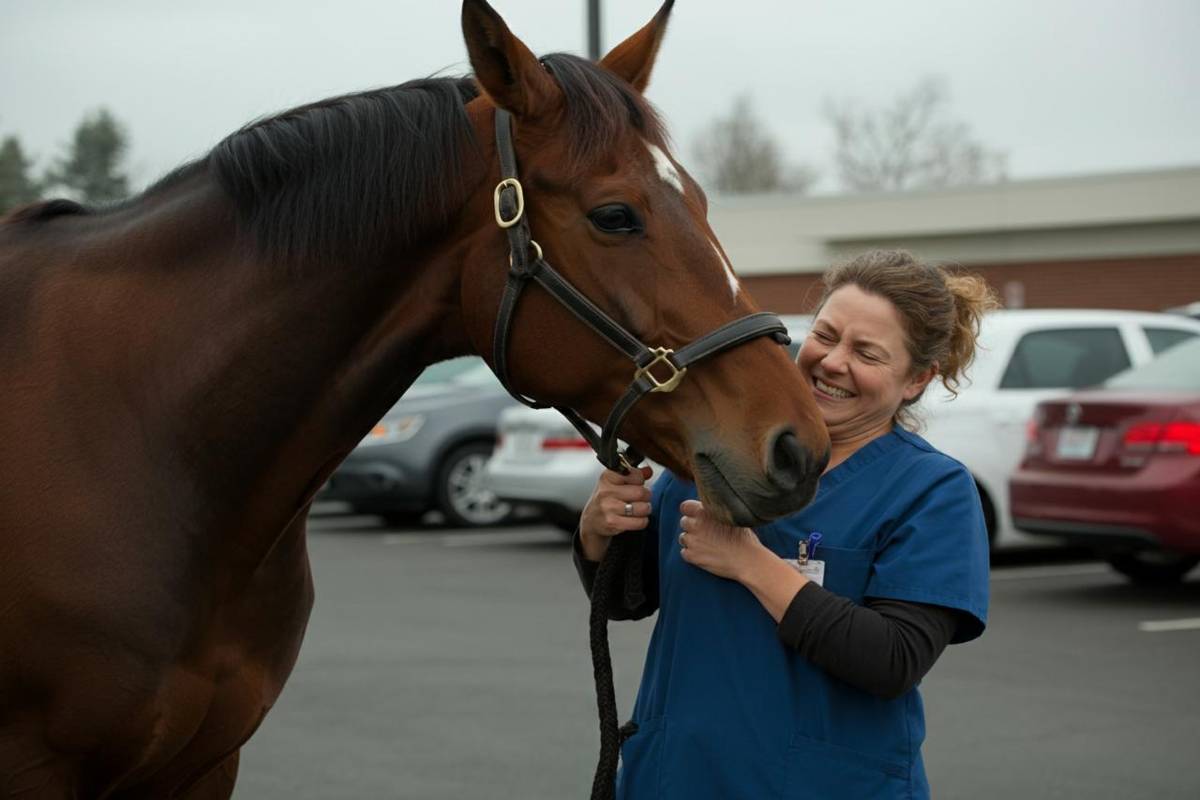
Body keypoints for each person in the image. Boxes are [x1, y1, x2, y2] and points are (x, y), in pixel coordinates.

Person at [574, 249, 997, 799]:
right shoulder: (719, 452)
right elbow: (627, 600)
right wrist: (598, 531)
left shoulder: (932, 490)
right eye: (826, 335)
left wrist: (752, 565)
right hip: (676, 778)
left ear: (917, 379)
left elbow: (893, 660)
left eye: (866, 353)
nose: (832, 362)